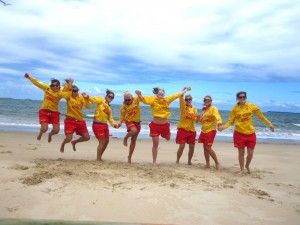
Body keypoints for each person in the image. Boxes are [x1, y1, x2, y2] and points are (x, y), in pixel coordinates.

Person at [221, 91, 274, 174]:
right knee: (241, 153)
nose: (242, 98)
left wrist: (269, 124)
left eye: (243, 97)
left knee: (250, 153)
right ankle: (242, 169)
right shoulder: (234, 109)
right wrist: (223, 127)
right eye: (240, 97)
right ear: (237, 98)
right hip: (239, 133)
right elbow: (230, 121)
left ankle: (247, 165)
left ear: (246, 98)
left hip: (250, 133)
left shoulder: (251, 106)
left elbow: (261, 116)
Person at [136, 87, 190, 164]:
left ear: (164, 94)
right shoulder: (152, 99)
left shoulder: (167, 99)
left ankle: (166, 134)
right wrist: (139, 93)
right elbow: (143, 99)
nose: (161, 94)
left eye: (162, 93)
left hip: (165, 125)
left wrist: (185, 90)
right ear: (157, 94)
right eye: (159, 93)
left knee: (168, 138)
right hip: (155, 126)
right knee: (155, 144)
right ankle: (154, 162)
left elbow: (177, 95)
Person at [24, 73, 72, 142]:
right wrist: (29, 77)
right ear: (50, 85)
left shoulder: (61, 93)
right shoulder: (47, 88)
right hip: (44, 111)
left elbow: (68, 95)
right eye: (53, 85)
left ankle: (50, 134)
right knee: (44, 128)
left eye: (56, 85)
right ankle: (40, 133)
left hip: (54, 112)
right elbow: (37, 83)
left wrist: (69, 84)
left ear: (59, 86)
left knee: (56, 130)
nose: (55, 87)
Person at [89, 89, 118, 161]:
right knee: (102, 141)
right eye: (109, 96)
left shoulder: (109, 108)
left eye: (112, 97)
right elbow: (94, 100)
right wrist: (87, 97)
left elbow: (110, 118)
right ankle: (98, 158)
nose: (110, 98)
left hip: (105, 125)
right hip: (97, 124)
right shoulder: (101, 100)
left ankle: (99, 157)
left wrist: (114, 124)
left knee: (107, 141)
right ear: (106, 96)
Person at [60, 85, 90, 153]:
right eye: (73, 91)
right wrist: (68, 85)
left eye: (76, 90)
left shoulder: (81, 98)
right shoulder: (68, 97)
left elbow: (88, 106)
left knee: (87, 137)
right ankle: (63, 144)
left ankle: (74, 142)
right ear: (71, 91)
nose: (75, 92)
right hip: (70, 121)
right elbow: (62, 93)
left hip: (80, 121)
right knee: (68, 138)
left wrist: (86, 98)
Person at [198, 95, 222, 170]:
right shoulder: (204, 110)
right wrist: (199, 118)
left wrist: (219, 124)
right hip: (203, 131)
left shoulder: (213, 108)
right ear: (204, 101)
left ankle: (217, 163)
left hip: (211, 130)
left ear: (211, 101)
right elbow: (202, 121)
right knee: (205, 148)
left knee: (208, 148)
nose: (207, 101)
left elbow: (217, 116)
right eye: (205, 100)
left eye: (209, 100)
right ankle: (207, 164)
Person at [117, 91, 141, 163]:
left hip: (137, 122)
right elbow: (122, 116)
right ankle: (125, 138)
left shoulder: (136, 100)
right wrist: (120, 123)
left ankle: (129, 157)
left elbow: (142, 98)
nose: (127, 101)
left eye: (129, 99)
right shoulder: (123, 107)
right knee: (134, 131)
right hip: (129, 121)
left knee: (133, 141)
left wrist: (139, 94)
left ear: (132, 98)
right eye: (125, 100)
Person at [176, 90, 198, 165]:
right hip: (182, 130)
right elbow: (180, 97)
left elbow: (196, 119)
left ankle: (189, 161)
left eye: (189, 99)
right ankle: (177, 160)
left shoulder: (194, 108)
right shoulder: (183, 107)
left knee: (192, 147)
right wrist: (184, 90)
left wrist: (197, 118)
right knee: (182, 146)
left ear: (191, 100)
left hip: (191, 131)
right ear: (185, 100)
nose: (188, 100)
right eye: (186, 99)